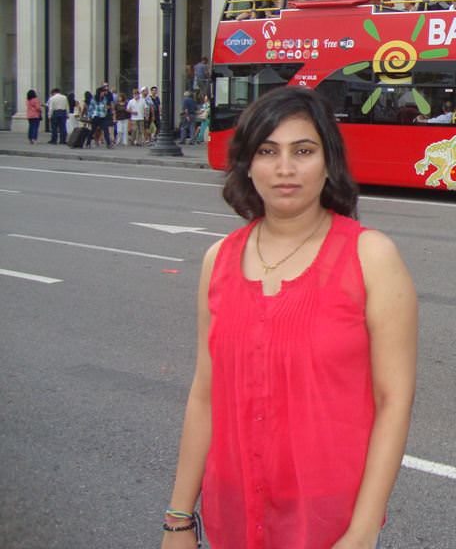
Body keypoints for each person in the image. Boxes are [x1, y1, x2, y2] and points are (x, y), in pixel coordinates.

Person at [161, 86, 417, 549]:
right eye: (267, 151)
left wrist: (361, 531)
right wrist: (179, 518)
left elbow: (394, 400)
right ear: (247, 163)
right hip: (231, 511)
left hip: (328, 518)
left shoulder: (370, 256)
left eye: (303, 151)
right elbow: (205, 394)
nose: (284, 169)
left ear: (328, 161)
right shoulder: (217, 260)